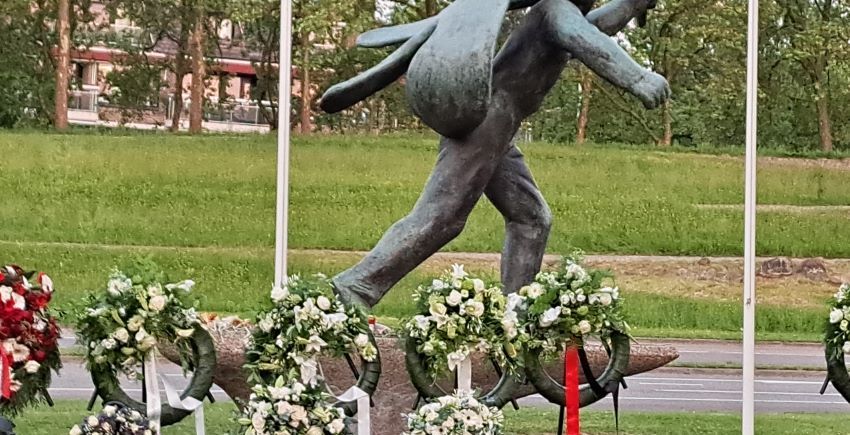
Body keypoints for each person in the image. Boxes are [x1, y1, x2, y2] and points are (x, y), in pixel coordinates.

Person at [322, 0, 671, 308]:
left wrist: (630, 6)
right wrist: (638, 78)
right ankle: (355, 287)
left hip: (500, 127)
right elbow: (589, 42)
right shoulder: (554, 11)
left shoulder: (558, 16)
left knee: (531, 219)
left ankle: (516, 317)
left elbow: (593, 29)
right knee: (440, 218)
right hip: (488, 122)